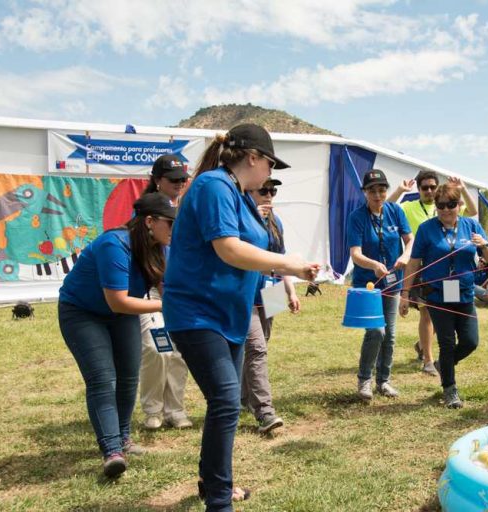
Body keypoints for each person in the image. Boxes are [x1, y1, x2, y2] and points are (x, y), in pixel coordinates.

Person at [163, 123, 319, 511]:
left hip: (229, 317)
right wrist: (290, 266)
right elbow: (229, 249)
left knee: (226, 404)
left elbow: (254, 251)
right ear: (253, 158)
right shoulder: (213, 186)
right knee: (227, 402)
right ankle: (219, 500)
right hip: (199, 315)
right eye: (270, 164)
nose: (271, 173)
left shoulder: (242, 197)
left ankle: (212, 480)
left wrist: (288, 275)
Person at [58, 192, 174, 478]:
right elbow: (118, 301)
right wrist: (168, 305)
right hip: (82, 313)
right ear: (149, 221)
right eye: (170, 224)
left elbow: (166, 284)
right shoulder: (115, 243)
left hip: (121, 316)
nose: (175, 230)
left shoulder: (162, 245)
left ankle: (123, 439)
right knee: (102, 379)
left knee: (128, 377)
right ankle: (112, 451)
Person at [400, 182, 488, 408]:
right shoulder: (426, 229)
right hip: (437, 295)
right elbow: (414, 262)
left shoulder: (471, 226)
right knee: (446, 342)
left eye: (451, 205)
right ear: (436, 206)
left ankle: (444, 365)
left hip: (464, 294)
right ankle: (450, 390)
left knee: (470, 342)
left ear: (459, 205)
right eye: (441, 205)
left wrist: (484, 245)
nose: (446, 210)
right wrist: (405, 293)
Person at [388, 171, 478, 376]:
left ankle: (423, 345)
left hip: (448, 270)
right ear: (418, 190)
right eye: (424, 187)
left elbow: (472, 212)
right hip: (420, 266)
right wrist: (400, 192)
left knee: (440, 315)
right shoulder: (409, 207)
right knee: (427, 313)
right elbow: (388, 208)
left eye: (432, 187)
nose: (429, 190)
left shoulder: (448, 204)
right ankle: (429, 359)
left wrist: (462, 188)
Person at [241, 177, 301, 433]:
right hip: (246, 293)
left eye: (272, 190)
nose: (269, 195)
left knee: (261, 346)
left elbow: (281, 260)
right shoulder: (241, 218)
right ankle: (265, 411)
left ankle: (242, 400)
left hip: (272, 290)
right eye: (263, 190)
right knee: (256, 349)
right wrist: (254, 218)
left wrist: (291, 291)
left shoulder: (276, 222)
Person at [348, 169, 413, 400]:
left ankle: (383, 381)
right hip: (368, 284)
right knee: (376, 331)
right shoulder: (357, 217)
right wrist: (374, 264)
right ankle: (364, 380)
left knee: (391, 335)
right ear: (364, 192)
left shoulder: (395, 210)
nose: (378, 194)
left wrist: (406, 255)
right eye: (372, 190)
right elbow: (355, 254)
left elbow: (410, 239)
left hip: (393, 281)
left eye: (382, 189)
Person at [139, 154, 192, 430]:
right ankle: (153, 409)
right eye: (173, 180)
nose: (179, 184)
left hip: (182, 291)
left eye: (183, 179)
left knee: (181, 351)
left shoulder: (187, 208)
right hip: (154, 294)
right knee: (158, 349)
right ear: (157, 180)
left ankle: (175, 408)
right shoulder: (146, 214)